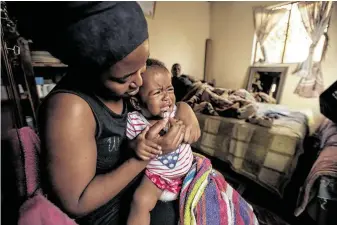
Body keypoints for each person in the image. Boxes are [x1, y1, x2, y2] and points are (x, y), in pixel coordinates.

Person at [26, 2, 200, 225]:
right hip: (113, 212)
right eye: (124, 78)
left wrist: (186, 113)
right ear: (88, 69)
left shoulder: (128, 89)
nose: (138, 82)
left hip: (149, 183)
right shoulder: (71, 108)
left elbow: (167, 109)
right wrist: (145, 155)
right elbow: (77, 204)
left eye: (142, 70)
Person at [126, 59, 194, 225]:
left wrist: (185, 126)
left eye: (170, 89)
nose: (167, 97)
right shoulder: (135, 121)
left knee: (214, 184)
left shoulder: (177, 112)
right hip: (157, 178)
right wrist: (136, 146)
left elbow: (192, 135)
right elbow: (129, 143)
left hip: (189, 174)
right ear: (136, 103)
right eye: (157, 93)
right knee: (140, 200)